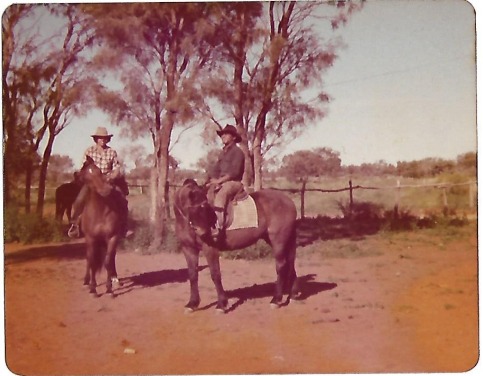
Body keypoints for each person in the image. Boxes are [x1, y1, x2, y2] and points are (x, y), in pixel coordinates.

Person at [67, 127, 131, 238]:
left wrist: (111, 177)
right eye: (100, 138)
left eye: (105, 138)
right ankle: (75, 225)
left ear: (107, 139)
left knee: (122, 199)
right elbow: (84, 168)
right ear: (96, 139)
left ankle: (124, 226)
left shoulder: (111, 152)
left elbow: (116, 168)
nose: (103, 140)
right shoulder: (89, 151)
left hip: (107, 181)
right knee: (79, 200)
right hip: (92, 182)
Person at [206, 124, 245, 240]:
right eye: (222, 134)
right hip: (221, 181)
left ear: (233, 137)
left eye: (226, 134)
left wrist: (219, 181)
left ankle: (217, 227)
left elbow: (235, 172)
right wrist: (210, 180)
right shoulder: (223, 153)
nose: (223, 136)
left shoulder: (238, 152)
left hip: (233, 183)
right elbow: (216, 169)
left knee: (222, 194)